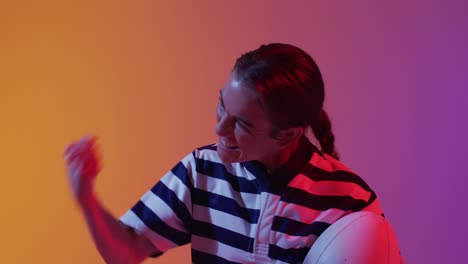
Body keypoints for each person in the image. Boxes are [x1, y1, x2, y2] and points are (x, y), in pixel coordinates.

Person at [64, 43, 384, 263]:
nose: (220, 128)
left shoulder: (351, 201)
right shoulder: (201, 170)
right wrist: (86, 197)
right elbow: (127, 251)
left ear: (287, 135)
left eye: (241, 123)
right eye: (222, 105)